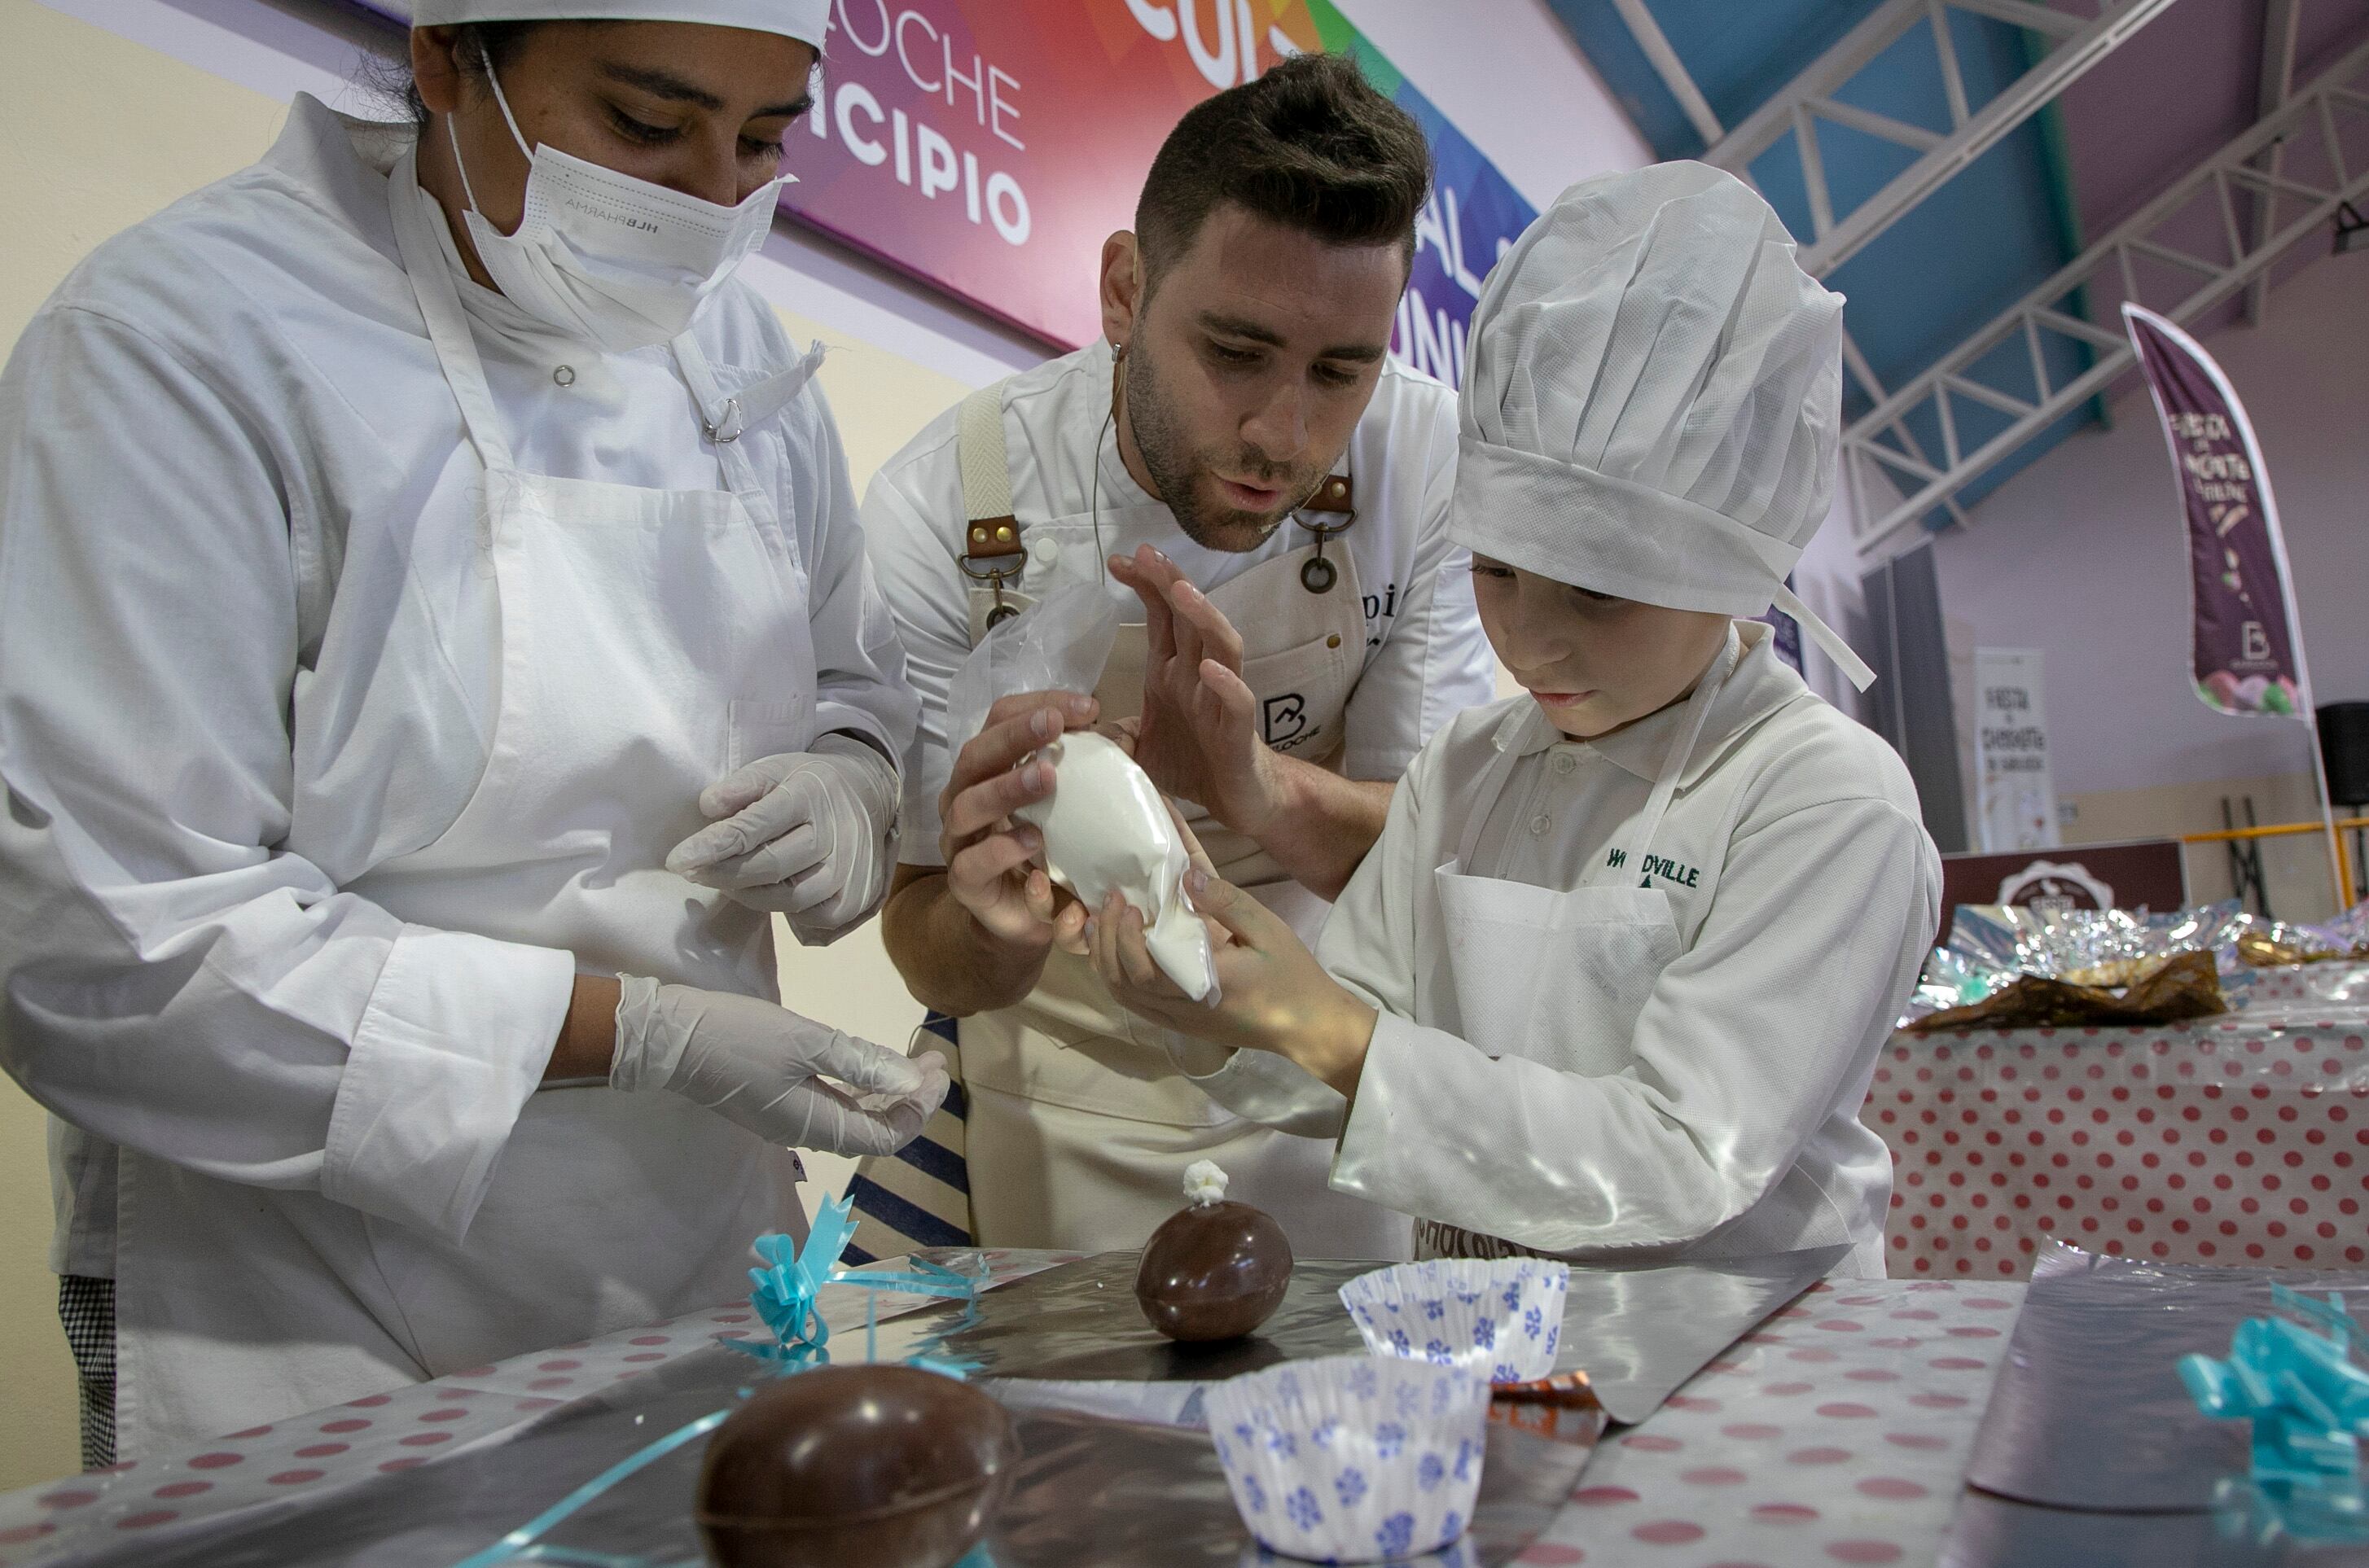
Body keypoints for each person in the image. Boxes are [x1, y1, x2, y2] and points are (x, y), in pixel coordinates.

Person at [0, 1, 945, 1463]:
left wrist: (854, 779)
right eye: (644, 125)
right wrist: (641, 1030)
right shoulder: (183, 341)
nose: (707, 208)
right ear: (448, 58)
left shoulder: (734, 354)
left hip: (695, 1255)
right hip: (303, 1305)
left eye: (762, 142)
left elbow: (854, 674)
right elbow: (102, 942)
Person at [1079, 164, 1941, 1278]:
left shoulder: (1821, 799)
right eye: (1496, 569)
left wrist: (1334, 1033)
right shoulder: (1472, 765)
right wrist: (1202, 983)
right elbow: (1359, 1026)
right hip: (1495, 1345)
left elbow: (1684, 1155)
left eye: (1597, 592)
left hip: (1751, 1369)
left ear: (1736, 567)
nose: (1530, 642)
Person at [854, 55, 1496, 1262]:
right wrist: (987, 929)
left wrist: (1254, 786)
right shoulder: (950, 501)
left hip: (1324, 1051)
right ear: (1121, 289)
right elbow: (917, 925)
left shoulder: (1428, 461)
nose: (1283, 433)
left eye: (1339, 371)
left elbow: (1433, 866)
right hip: (1055, 1084)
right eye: (1236, 352)